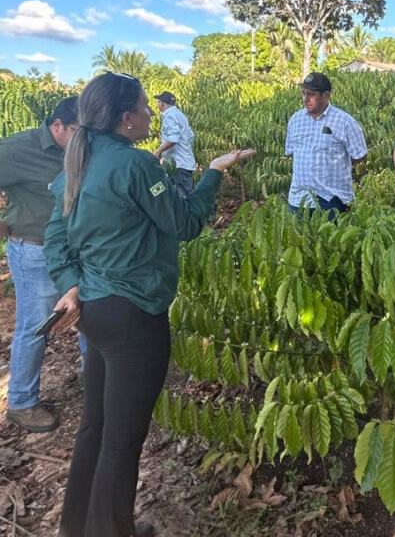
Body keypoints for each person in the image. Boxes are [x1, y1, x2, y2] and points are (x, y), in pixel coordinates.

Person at [43, 72, 255, 537]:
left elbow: (56, 239)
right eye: (142, 107)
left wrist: (69, 284)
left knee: (94, 430)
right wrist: (215, 171)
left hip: (94, 313)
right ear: (125, 119)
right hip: (135, 316)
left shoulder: (74, 168)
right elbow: (184, 222)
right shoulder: (137, 166)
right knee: (122, 442)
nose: (147, 114)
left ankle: (76, 527)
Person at [0, 97, 84, 433]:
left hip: (79, 251)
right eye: (78, 131)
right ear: (58, 125)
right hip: (35, 251)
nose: (84, 139)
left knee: (89, 318)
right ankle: (21, 402)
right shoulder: (18, 149)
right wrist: (6, 226)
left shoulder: (81, 149)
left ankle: (97, 383)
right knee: (37, 327)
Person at [285, 72, 367, 218]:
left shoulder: (345, 122)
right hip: (298, 199)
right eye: (303, 93)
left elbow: (359, 155)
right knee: (296, 240)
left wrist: (335, 165)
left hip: (331, 199)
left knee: (331, 240)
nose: (305, 99)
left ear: (326, 96)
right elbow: (292, 152)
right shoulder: (295, 120)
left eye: (311, 94)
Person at [151, 91, 196, 198]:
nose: (158, 105)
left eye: (159, 102)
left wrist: (158, 152)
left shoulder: (169, 116)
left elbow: (173, 139)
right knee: (159, 190)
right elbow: (191, 136)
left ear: (162, 104)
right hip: (182, 164)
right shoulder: (180, 115)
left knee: (182, 198)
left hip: (178, 166)